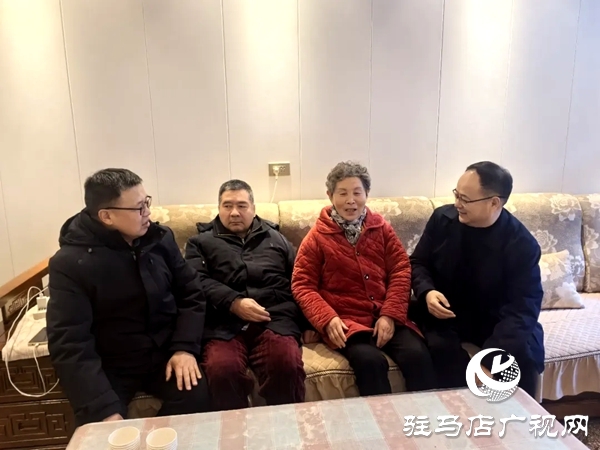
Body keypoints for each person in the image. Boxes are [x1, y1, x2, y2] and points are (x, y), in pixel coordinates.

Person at [47, 168, 210, 426]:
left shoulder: (160, 239)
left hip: (163, 352)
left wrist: (184, 348)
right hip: (111, 363)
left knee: (197, 396)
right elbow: (70, 341)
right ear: (107, 216)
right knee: (102, 428)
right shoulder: (70, 263)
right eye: (138, 208)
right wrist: (102, 407)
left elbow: (191, 293)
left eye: (147, 203)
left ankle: (154, 441)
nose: (148, 213)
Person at [291, 161, 437, 396]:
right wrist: (327, 319)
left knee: (417, 355)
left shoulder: (381, 228)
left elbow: (401, 269)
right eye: (343, 193)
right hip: (345, 323)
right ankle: (380, 418)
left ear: (367, 194)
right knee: (370, 362)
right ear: (330, 196)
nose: (351, 200)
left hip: (384, 314)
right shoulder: (317, 236)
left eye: (357, 193)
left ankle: (422, 415)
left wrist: (390, 315)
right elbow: (302, 285)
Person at [409, 161, 544, 398]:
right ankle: (450, 412)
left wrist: (489, 359)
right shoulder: (442, 219)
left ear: (494, 202)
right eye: (457, 195)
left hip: (496, 319)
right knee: (439, 350)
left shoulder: (522, 244)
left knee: (523, 354)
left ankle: (519, 418)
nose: (457, 204)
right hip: (446, 313)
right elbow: (418, 263)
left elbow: (523, 308)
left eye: (465, 199)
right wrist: (427, 291)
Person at [184, 179, 307, 411]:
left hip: (274, 320)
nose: (234, 212)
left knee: (286, 363)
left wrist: (309, 324)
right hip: (222, 323)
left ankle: (287, 426)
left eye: (241, 206)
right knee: (222, 369)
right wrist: (233, 302)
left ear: (253, 208)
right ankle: (235, 430)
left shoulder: (276, 238)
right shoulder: (200, 242)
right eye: (227, 206)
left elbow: (300, 280)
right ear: (218, 208)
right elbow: (195, 281)